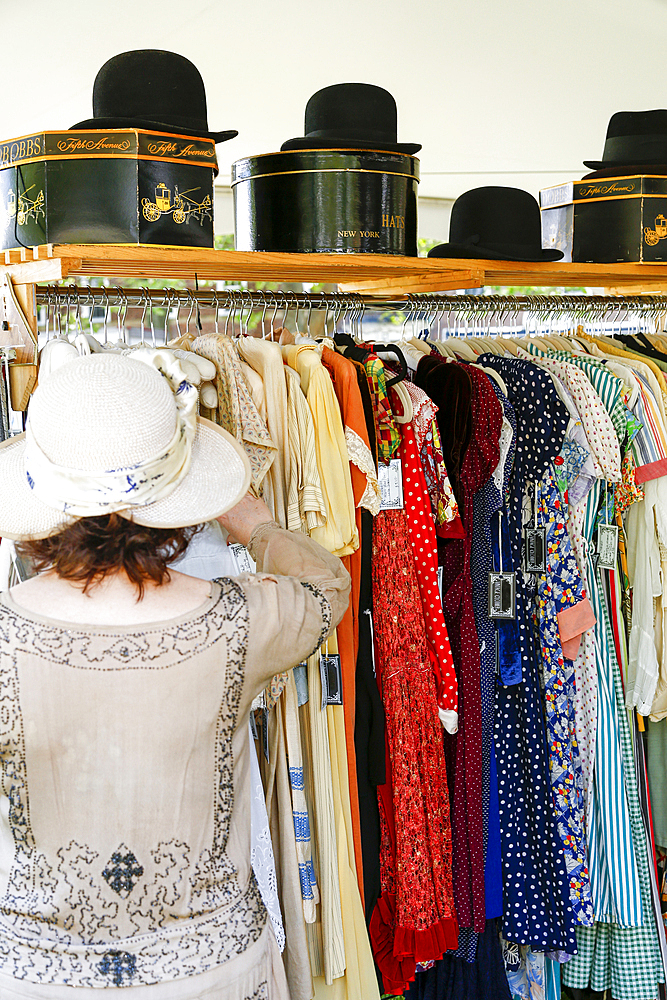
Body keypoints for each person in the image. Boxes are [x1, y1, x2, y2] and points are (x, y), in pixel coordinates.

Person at [0, 351, 350, 999]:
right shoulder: (242, 618)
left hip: (45, 974)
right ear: (177, 493)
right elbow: (326, 584)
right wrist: (254, 521)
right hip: (207, 969)